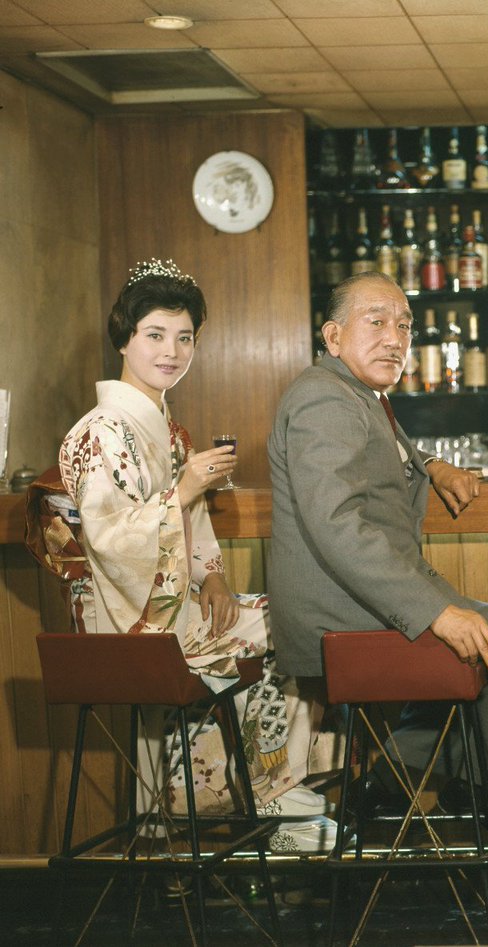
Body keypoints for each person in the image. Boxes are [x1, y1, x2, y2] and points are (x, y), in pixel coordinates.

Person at [57, 259, 335, 852]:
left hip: (176, 600)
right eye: (155, 335)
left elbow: (197, 529)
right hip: (126, 614)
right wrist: (183, 489)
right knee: (288, 627)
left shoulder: (170, 430)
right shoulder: (100, 430)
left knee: (301, 620)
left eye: (185, 338)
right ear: (124, 339)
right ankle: (267, 796)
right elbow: (108, 540)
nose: (171, 351)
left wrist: (213, 580)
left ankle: (273, 787)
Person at [267, 270, 488, 832]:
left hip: (355, 598)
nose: (395, 338)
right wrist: (435, 613)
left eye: (405, 325)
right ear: (333, 336)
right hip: (337, 612)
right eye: (376, 322)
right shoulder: (325, 397)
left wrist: (431, 466)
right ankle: (477, 802)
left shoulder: (358, 394)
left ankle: (387, 785)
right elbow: (338, 523)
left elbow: (381, 450)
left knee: (476, 646)